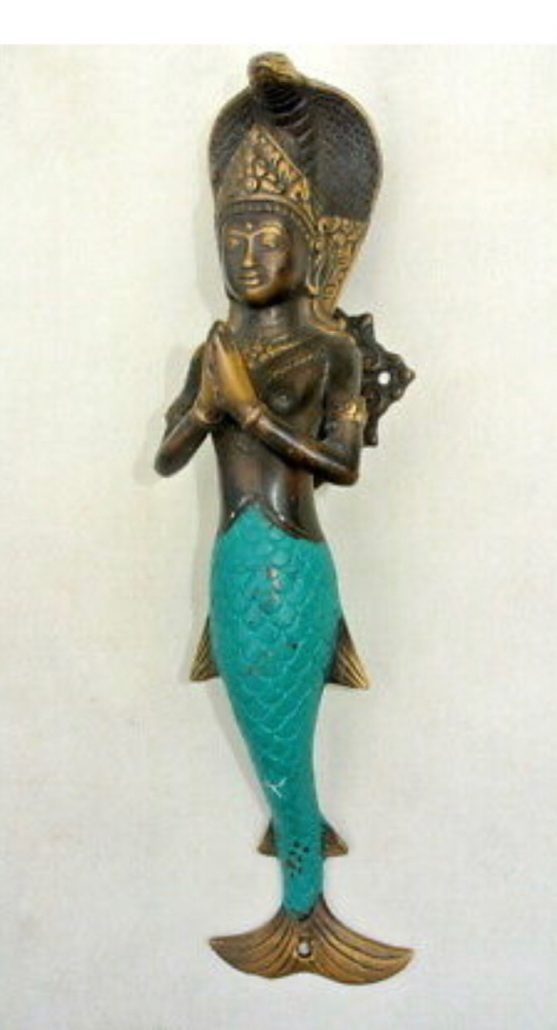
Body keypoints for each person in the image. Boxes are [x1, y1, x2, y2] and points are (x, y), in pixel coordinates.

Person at [154, 53, 412, 983]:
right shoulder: (216, 347)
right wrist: (204, 405)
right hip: (234, 568)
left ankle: (305, 906)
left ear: (308, 251)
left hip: (295, 564)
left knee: (282, 712)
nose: (248, 255)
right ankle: (298, 876)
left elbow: (341, 466)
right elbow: (169, 455)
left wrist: (249, 413)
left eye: (268, 237)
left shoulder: (329, 350)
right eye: (233, 238)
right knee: (259, 715)